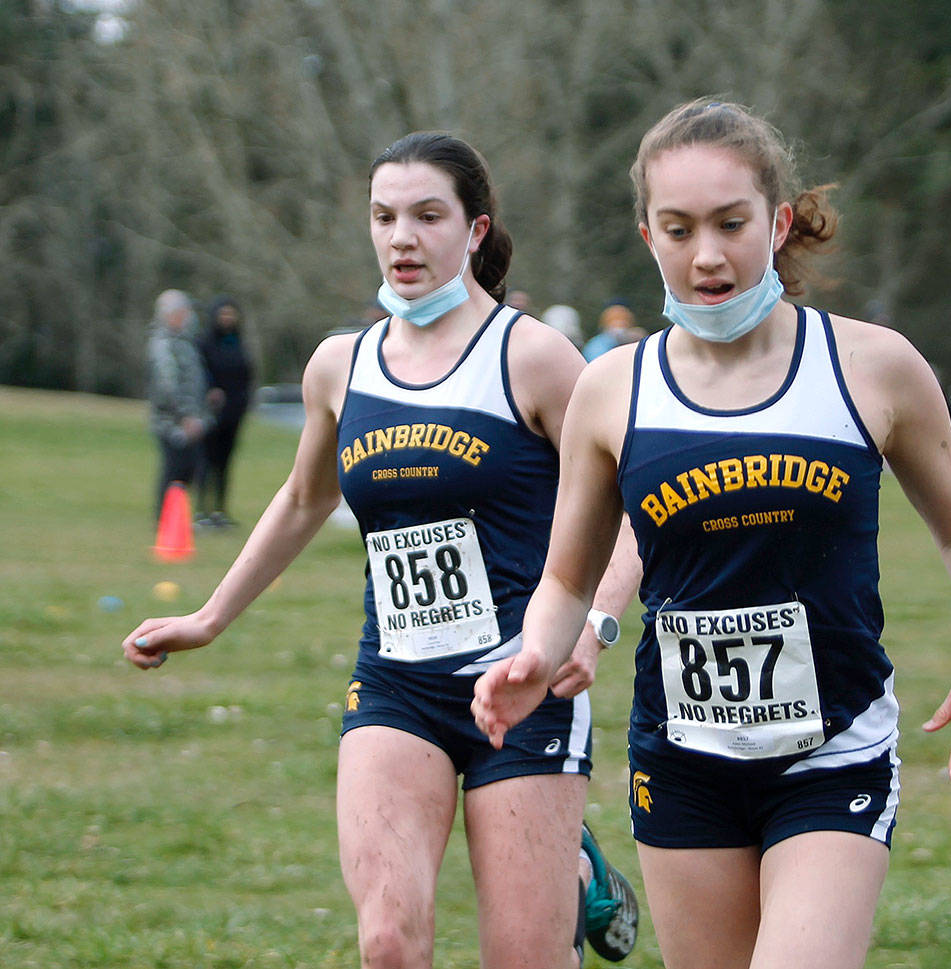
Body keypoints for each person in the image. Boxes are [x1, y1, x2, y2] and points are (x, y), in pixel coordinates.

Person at [473, 99, 951, 969]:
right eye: (679, 227)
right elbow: (566, 580)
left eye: (731, 223)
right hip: (684, 761)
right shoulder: (612, 390)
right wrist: (535, 658)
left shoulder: (871, 365)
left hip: (832, 755)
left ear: (776, 223)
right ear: (646, 232)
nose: (707, 255)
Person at [124, 132, 640, 969]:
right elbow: (303, 498)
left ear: (475, 231)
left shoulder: (535, 357)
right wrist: (209, 616)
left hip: (522, 685)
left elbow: (629, 503)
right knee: (388, 943)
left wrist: (592, 628)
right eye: (384, 215)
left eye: (427, 215)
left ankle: (573, 864)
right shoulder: (342, 365)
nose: (402, 235)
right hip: (397, 682)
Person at [147, 289, 211, 521]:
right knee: (174, 470)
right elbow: (168, 385)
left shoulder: (185, 342)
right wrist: (185, 416)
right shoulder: (164, 345)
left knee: (188, 470)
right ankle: (165, 520)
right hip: (172, 422)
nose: (187, 316)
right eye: (183, 311)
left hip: (189, 419)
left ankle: (177, 519)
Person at [196, 296, 255, 527]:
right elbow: (200, 373)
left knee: (225, 462)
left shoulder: (238, 343)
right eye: (223, 314)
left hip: (234, 412)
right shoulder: (204, 343)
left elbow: (246, 374)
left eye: (231, 314)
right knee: (206, 460)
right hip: (211, 412)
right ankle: (202, 509)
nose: (227, 319)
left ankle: (220, 509)